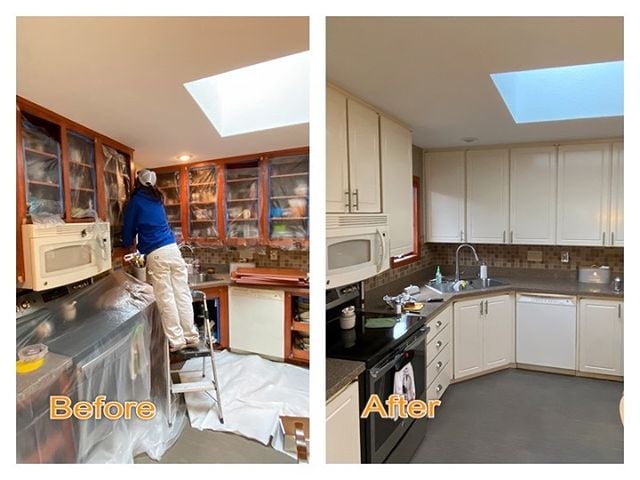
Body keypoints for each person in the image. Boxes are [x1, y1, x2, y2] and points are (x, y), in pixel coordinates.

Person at [122, 168, 199, 351]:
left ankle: (177, 340)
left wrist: (126, 243)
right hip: (173, 249)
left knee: (166, 298)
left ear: (137, 182)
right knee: (182, 294)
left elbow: (128, 229)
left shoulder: (136, 202)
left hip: (157, 253)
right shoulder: (157, 200)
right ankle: (191, 335)